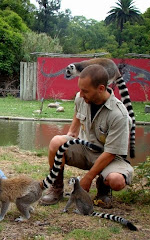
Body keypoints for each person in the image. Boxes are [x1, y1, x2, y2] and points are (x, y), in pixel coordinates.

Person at [39, 64, 134, 207]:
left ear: (101, 88)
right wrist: (71, 132)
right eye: (80, 90)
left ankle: (103, 188)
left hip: (109, 157)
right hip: (85, 149)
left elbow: (111, 152)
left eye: (85, 91)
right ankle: (56, 189)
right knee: (56, 142)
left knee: (116, 180)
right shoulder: (81, 98)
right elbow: (78, 112)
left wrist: (88, 178)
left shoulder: (119, 115)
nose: (81, 94)